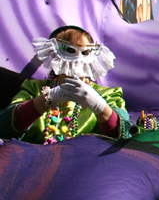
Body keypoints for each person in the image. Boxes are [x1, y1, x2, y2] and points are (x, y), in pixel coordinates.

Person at [0, 26, 130, 144]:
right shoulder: (34, 88)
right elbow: (5, 126)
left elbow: (124, 135)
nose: (77, 58)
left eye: (85, 52)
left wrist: (99, 105)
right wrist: (46, 99)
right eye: (69, 50)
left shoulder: (107, 94)